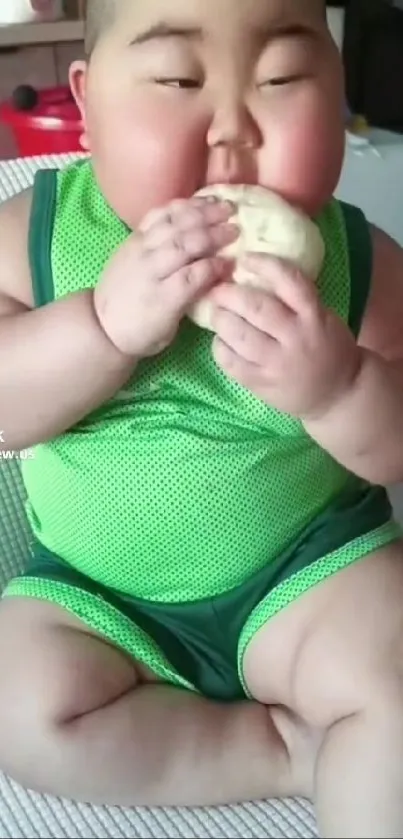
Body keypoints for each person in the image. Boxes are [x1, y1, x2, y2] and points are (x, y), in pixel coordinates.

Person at [1, 0, 403, 835]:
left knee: (395, 683)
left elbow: (394, 449)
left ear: (336, 93)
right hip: (96, 594)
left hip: (305, 575)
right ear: (88, 110)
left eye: (282, 80)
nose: (232, 131)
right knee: (15, 700)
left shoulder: (365, 264)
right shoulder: (31, 237)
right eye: (177, 79)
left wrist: (336, 389)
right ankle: (273, 752)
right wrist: (102, 327)